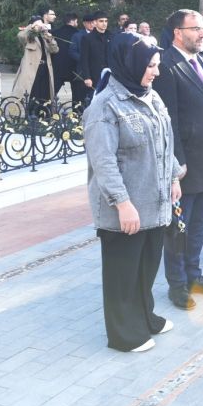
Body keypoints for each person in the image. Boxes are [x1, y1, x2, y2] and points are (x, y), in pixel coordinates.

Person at [82, 33, 180, 353]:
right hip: (125, 207)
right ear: (131, 63)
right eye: (151, 65)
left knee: (146, 266)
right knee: (123, 272)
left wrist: (174, 176)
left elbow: (164, 139)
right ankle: (124, 334)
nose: (156, 72)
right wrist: (122, 203)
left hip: (154, 201)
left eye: (157, 65)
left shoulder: (151, 95)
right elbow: (104, 161)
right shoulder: (105, 106)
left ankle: (145, 316)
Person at [153, 9, 203, 310]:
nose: (202, 33)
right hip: (184, 167)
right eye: (195, 28)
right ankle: (178, 285)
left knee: (199, 226)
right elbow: (168, 121)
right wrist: (176, 164)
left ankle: (195, 275)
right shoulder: (167, 67)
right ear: (177, 33)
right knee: (179, 230)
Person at [12, 15, 60, 112]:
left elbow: (55, 50)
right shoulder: (29, 35)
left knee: (44, 93)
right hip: (32, 69)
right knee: (32, 92)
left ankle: (44, 114)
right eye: (37, 23)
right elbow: (21, 36)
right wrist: (32, 28)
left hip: (45, 68)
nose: (40, 25)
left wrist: (49, 39)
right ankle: (30, 114)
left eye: (41, 23)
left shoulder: (45, 35)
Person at [80, 11, 112, 104]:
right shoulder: (87, 38)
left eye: (106, 21)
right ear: (95, 22)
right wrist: (87, 77)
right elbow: (84, 59)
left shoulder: (111, 36)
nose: (104, 24)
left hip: (110, 75)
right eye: (101, 21)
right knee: (94, 101)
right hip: (94, 76)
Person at [69, 13, 96, 108]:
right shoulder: (77, 36)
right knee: (80, 96)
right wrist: (84, 59)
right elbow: (72, 51)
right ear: (84, 24)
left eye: (94, 22)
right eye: (89, 23)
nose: (92, 25)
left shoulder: (100, 35)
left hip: (96, 70)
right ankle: (77, 115)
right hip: (82, 70)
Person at [52, 13, 79, 99]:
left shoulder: (55, 32)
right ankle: (76, 111)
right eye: (76, 21)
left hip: (58, 66)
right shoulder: (78, 34)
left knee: (52, 93)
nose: (77, 23)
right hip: (73, 68)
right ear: (72, 21)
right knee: (76, 95)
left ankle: (46, 110)